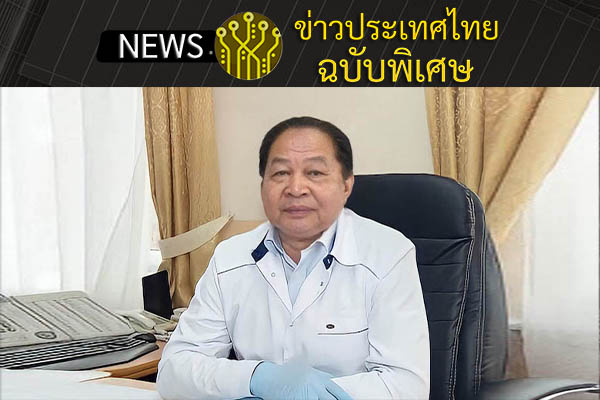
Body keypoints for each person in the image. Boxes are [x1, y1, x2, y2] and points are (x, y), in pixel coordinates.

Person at [156, 117, 430, 400]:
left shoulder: (388, 254)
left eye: (315, 173)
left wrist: (314, 395)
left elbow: (407, 387)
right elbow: (174, 371)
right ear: (263, 186)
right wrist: (256, 377)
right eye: (281, 173)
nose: (296, 188)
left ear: (346, 185)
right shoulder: (230, 258)